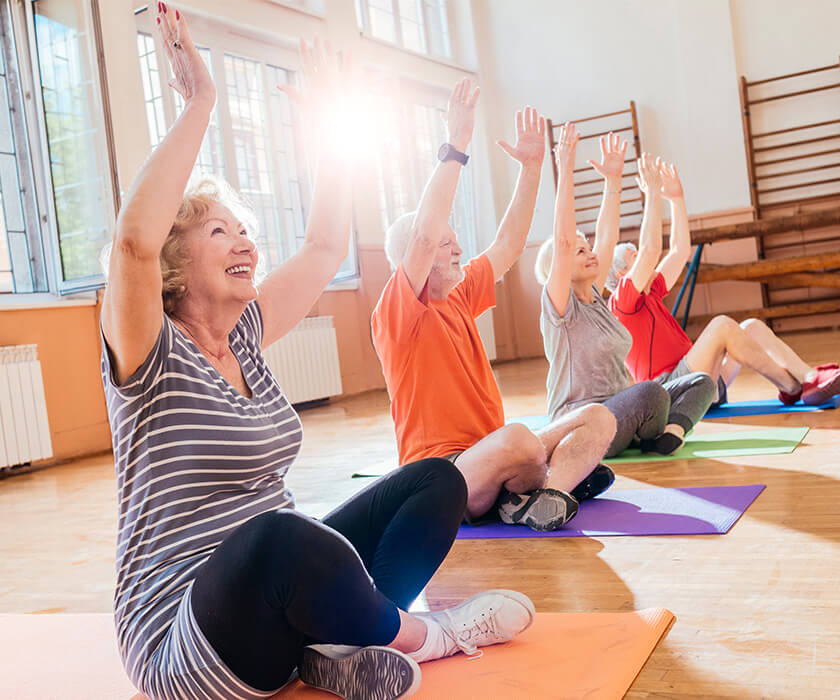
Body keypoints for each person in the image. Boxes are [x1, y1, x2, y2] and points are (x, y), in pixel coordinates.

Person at [100, 7, 534, 700]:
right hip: (185, 638)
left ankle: (337, 647)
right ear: (176, 264)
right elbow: (131, 243)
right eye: (221, 232)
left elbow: (326, 245)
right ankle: (433, 636)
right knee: (280, 536)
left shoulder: (244, 333)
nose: (246, 242)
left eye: (247, 231)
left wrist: (329, 126)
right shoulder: (147, 353)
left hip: (274, 605)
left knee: (436, 480)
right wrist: (201, 102)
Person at [372, 82, 617, 534]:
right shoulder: (398, 311)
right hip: (440, 476)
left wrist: (532, 168)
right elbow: (424, 234)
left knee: (599, 418)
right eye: (446, 243)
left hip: (493, 452)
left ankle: (546, 493)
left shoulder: (461, 292)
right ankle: (534, 487)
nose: (457, 247)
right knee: (521, 441)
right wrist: (457, 146)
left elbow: (509, 244)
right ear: (416, 257)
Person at [536, 125, 715, 457]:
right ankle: (651, 428)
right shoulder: (560, 308)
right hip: (583, 425)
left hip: (623, 411)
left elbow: (606, 236)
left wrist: (614, 181)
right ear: (559, 267)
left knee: (701, 382)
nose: (590, 253)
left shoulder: (599, 301)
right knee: (650, 393)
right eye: (579, 252)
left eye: (586, 247)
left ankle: (668, 433)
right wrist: (566, 166)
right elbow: (562, 241)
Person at [606, 161, 840, 407]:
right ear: (622, 274)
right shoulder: (622, 303)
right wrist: (652, 193)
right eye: (636, 259)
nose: (648, 264)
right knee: (721, 326)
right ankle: (792, 387)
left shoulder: (650, 291)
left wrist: (676, 199)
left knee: (752, 328)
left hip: (699, 380)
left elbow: (678, 251)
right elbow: (651, 250)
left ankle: (808, 376)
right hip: (669, 391)